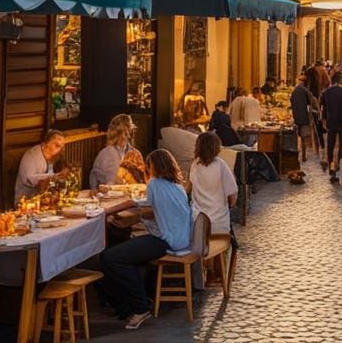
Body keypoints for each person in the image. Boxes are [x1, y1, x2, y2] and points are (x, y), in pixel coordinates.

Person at [99, 149, 192, 330]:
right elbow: (150, 209)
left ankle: (139, 307)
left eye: (148, 167)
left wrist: (105, 211)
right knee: (125, 256)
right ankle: (129, 304)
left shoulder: (155, 184)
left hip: (166, 241)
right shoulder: (178, 186)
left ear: (154, 167)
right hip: (181, 239)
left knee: (110, 258)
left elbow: (135, 203)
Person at [187, 132, 238, 235]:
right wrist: (229, 206)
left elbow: (188, 189)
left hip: (199, 223)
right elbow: (233, 195)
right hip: (219, 223)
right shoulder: (221, 165)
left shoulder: (194, 165)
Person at [320, 70, 342, 182]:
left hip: (331, 121)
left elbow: (323, 108)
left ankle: (331, 164)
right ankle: (339, 163)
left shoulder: (326, 92)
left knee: (330, 144)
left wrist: (324, 120)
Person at [14, 129, 66, 202]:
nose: (61, 149)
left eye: (62, 146)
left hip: (42, 199)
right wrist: (55, 176)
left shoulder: (53, 157)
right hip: (26, 200)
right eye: (57, 145)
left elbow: (50, 175)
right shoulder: (32, 156)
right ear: (44, 145)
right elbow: (29, 179)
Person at [89, 114, 137, 190]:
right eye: (121, 133)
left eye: (127, 133)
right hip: (105, 196)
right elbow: (94, 179)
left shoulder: (134, 153)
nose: (124, 137)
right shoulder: (106, 154)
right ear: (114, 134)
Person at [290, 75, 319, 162]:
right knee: (303, 137)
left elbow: (291, 100)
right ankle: (303, 155)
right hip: (304, 117)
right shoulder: (306, 90)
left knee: (296, 136)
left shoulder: (295, 90)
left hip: (296, 115)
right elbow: (312, 101)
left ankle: (297, 155)